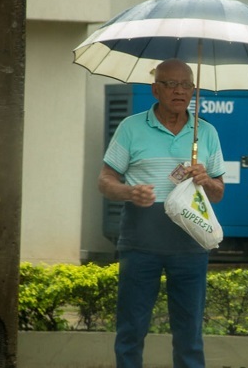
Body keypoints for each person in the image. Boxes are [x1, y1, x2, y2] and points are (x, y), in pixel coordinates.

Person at [98, 58, 226, 368]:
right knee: (131, 329)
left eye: (186, 85)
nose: (179, 91)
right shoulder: (131, 127)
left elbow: (219, 194)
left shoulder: (206, 132)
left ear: (194, 90)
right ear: (156, 89)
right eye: (171, 84)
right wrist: (130, 192)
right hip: (140, 241)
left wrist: (206, 179)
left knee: (189, 333)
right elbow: (105, 181)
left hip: (190, 241)